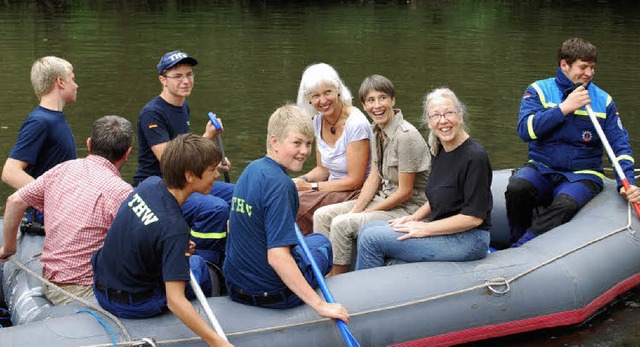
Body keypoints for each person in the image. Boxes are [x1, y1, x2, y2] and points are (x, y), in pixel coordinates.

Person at [92, 134, 231, 347]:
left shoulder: (150, 185)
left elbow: (143, 231)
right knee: (200, 267)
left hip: (101, 289)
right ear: (190, 176)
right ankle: (218, 306)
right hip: (134, 305)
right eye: (212, 170)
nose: (215, 176)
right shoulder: (175, 230)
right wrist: (219, 343)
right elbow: (174, 302)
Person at [506, 38, 640, 247]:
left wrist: (628, 181)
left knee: (566, 203)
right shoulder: (539, 90)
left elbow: (619, 145)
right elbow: (525, 130)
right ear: (564, 65)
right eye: (583, 67)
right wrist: (564, 108)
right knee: (517, 188)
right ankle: (517, 238)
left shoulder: (603, 101)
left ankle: (520, 247)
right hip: (543, 167)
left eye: (592, 67)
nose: (589, 73)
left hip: (583, 174)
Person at [223, 104, 349, 323]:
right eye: (297, 143)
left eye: (309, 144)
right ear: (274, 141)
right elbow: (277, 257)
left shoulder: (250, 170)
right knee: (321, 243)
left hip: (234, 287)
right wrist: (320, 305)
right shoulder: (282, 186)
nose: (304, 151)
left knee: (299, 243)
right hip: (272, 295)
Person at [0, 116, 133, 305]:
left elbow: (14, 201)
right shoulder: (122, 192)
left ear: (89, 144)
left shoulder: (62, 169)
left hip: (50, 281)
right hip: (84, 291)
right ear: (127, 153)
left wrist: (9, 248)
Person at [355, 88, 492, 270]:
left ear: (461, 116)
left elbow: (473, 219)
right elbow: (438, 197)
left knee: (371, 239)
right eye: (435, 115)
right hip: (441, 230)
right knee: (367, 229)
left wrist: (424, 228)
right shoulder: (440, 150)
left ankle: (366, 295)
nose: (443, 120)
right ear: (429, 122)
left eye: (449, 113)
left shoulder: (475, 157)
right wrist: (413, 218)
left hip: (469, 239)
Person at [313, 75, 431, 275]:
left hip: (410, 208)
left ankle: (338, 283)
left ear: (392, 100)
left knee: (342, 224)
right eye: (370, 100)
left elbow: (405, 192)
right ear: (364, 105)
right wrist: (357, 209)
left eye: (382, 98)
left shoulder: (405, 136)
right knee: (322, 215)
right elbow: (374, 176)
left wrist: (364, 213)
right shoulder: (376, 131)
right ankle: (323, 274)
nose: (377, 105)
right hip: (385, 198)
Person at [133, 50, 231, 264]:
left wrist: (212, 165)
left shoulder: (182, 105)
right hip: (162, 186)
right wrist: (207, 138)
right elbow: (170, 160)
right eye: (178, 76)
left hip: (186, 179)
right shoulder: (152, 113)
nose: (186, 81)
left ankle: (233, 254)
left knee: (239, 195)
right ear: (163, 80)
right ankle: (205, 265)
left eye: (189, 75)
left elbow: (187, 148)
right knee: (216, 208)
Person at [1, 56, 79, 231]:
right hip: (47, 219)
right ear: (60, 82)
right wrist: (52, 197)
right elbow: (10, 171)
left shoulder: (54, 118)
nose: (76, 85)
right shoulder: (40, 122)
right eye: (72, 79)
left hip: (63, 214)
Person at [293, 63, 372, 235]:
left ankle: (309, 251)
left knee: (296, 204)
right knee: (287, 194)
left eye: (327, 92)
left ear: (338, 90)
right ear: (309, 99)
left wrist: (309, 187)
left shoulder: (356, 123)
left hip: (355, 192)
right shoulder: (317, 121)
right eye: (315, 96)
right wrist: (298, 181)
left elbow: (355, 181)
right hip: (329, 187)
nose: (322, 101)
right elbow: (323, 169)